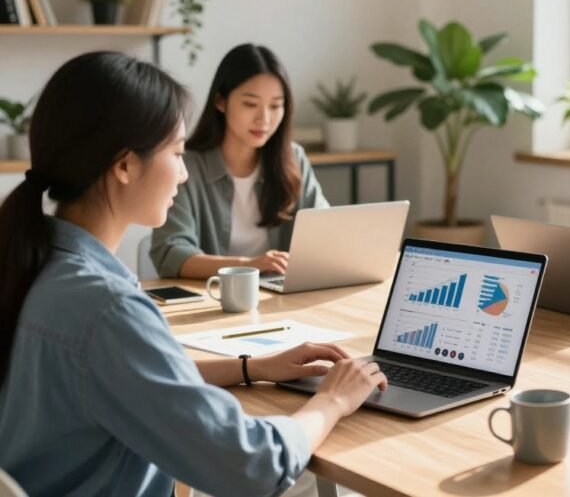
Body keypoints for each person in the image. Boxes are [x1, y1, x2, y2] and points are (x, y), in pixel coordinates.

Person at [0, 52, 387, 496]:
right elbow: (253, 466)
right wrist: (332, 400)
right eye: (177, 153)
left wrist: (252, 367)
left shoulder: (35, 264)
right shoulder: (108, 310)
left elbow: (130, 373)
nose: (184, 174)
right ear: (124, 165)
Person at [151, 43, 328, 279]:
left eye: (275, 106)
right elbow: (171, 254)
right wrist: (249, 265)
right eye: (250, 104)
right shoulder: (186, 167)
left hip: (282, 294)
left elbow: (325, 231)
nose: (264, 118)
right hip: (214, 295)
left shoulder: (293, 158)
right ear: (220, 102)